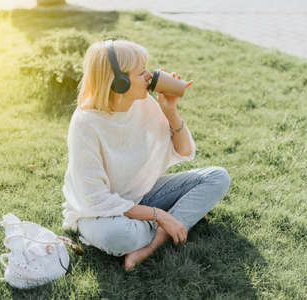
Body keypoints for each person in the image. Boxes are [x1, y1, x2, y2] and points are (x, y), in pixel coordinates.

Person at [61, 40, 230, 271]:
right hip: (98, 212)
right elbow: (95, 199)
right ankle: (174, 221)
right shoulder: (85, 125)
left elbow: (184, 150)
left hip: (140, 195)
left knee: (217, 177)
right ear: (118, 83)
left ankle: (153, 243)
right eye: (141, 72)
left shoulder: (144, 104)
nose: (150, 77)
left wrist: (170, 112)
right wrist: (159, 215)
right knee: (119, 237)